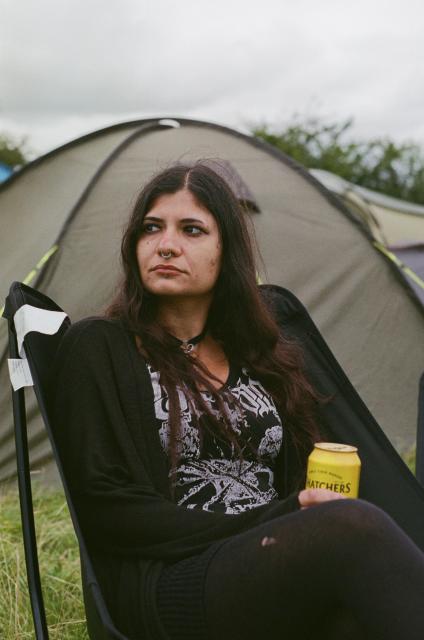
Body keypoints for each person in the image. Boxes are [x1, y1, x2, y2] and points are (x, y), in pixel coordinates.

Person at [53, 162, 424, 640]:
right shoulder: (99, 346)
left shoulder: (257, 351)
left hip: (271, 561)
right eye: (151, 228)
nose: (166, 245)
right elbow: (106, 509)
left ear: (226, 250)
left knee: (355, 614)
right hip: (174, 581)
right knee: (352, 527)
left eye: (191, 230)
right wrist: (280, 516)